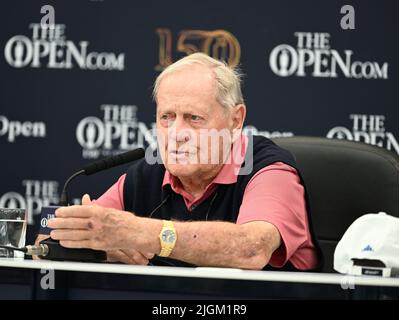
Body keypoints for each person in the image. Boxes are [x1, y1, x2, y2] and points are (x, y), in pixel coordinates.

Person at [37, 53, 321, 270]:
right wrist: (100, 247)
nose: (176, 135)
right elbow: (45, 245)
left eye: (194, 118)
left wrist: (137, 233)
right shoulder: (147, 174)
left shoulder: (270, 171)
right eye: (166, 118)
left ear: (236, 120)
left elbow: (251, 248)